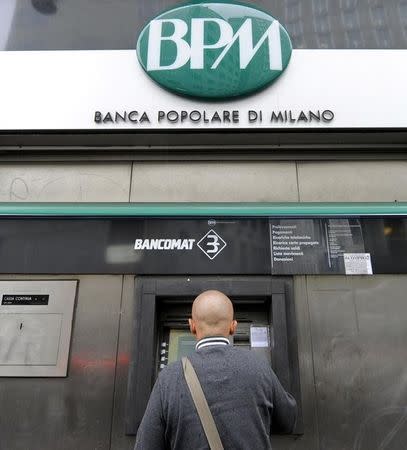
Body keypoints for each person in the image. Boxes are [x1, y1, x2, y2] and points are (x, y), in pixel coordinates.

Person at [134, 290, 297, 450]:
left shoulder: (168, 378)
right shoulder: (259, 366)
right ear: (233, 326)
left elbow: (146, 444)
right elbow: (287, 421)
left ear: (192, 326)